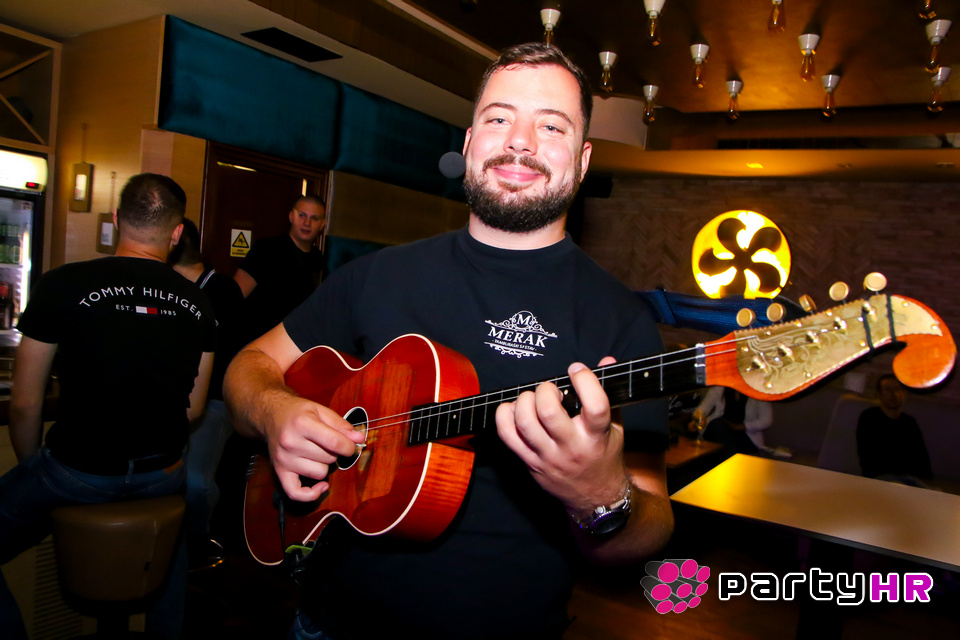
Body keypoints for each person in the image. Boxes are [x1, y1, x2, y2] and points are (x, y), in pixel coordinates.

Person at [224, 43, 673, 640]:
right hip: (327, 625)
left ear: (583, 159)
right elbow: (248, 365)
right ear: (469, 142)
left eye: (551, 126)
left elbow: (647, 533)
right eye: (499, 117)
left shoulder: (622, 322)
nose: (520, 141)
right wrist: (274, 410)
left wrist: (599, 495)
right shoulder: (376, 275)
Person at [0, 173, 216, 640]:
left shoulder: (61, 284)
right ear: (176, 233)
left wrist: (35, 466)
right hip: (162, 473)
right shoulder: (199, 303)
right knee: (171, 537)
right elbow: (193, 409)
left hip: (79, 470)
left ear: (117, 219)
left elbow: (24, 403)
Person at [168, 218, 244, 568]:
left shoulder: (223, 290)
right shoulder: (163, 286)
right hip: (169, 400)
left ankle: (199, 542)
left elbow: (234, 354)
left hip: (213, 399)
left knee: (196, 483)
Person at [233, 194, 326, 343]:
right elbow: (235, 295)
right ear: (291, 216)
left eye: (314, 218)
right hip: (256, 340)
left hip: (295, 344)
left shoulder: (320, 260)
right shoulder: (267, 249)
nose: (307, 223)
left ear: (322, 224)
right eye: (302, 215)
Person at [856, 373, 933, 486]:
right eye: (888, 389)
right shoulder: (869, 417)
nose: (893, 394)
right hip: (881, 478)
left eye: (898, 389)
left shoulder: (909, 422)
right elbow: (868, 456)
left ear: (904, 394)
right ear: (879, 394)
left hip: (910, 479)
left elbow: (921, 457)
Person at [692, 386, 773, 457]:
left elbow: (766, 420)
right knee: (717, 426)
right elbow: (702, 409)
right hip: (720, 431)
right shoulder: (719, 389)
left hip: (746, 437)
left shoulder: (757, 392)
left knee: (718, 430)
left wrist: (740, 426)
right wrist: (698, 419)